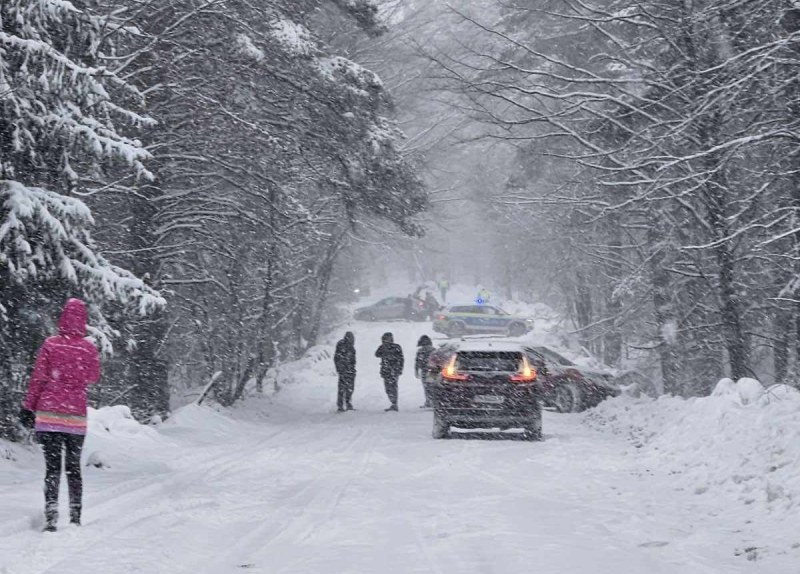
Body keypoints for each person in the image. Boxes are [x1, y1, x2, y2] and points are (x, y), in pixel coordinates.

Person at [19, 298, 101, 532]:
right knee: (73, 468)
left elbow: (38, 379)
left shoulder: (50, 344)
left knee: (52, 469)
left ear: (63, 317)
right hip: (75, 417)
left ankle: (52, 515)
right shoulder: (88, 348)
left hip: (49, 414)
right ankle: (75, 515)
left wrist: (28, 407)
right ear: (84, 320)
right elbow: (94, 377)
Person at [375, 332, 404, 411]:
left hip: (391, 370)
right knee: (390, 387)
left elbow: (401, 359)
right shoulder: (388, 347)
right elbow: (377, 354)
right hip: (389, 370)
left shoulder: (395, 347)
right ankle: (393, 403)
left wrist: (399, 368)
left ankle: (394, 403)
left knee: (391, 387)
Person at [334, 331, 356, 412]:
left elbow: (353, 360)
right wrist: (340, 368)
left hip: (349, 370)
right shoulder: (342, 345)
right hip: (344, 370)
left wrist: (352, 369)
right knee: (343, 388)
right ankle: (341, 405)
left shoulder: (351, 347)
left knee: (349, 388)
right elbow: (337, 358)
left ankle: (347, 403)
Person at [415, 335, 435, 408]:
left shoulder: (420, 351)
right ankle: (433, 401)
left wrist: (416, 370)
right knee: (432, 386)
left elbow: (417, 362)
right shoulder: (434, 350)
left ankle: (428, 401)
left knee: (426, 387)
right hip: (433, 371)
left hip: (424, 370)